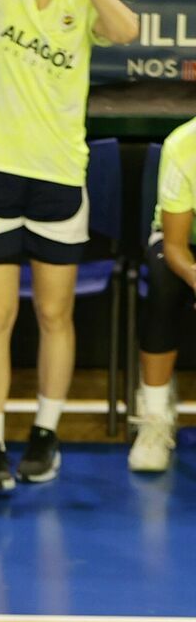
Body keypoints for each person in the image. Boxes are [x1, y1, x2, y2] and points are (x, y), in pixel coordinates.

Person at [0, 0, 138, 494]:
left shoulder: (79, 0)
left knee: (54, 313)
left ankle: (45, 434)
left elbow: (127, 30)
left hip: (59, 176)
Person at [128, 113, 196, 472]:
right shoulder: (183, 145)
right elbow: (174, 245)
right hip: (183, 246)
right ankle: (154, 417)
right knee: (163, 280)